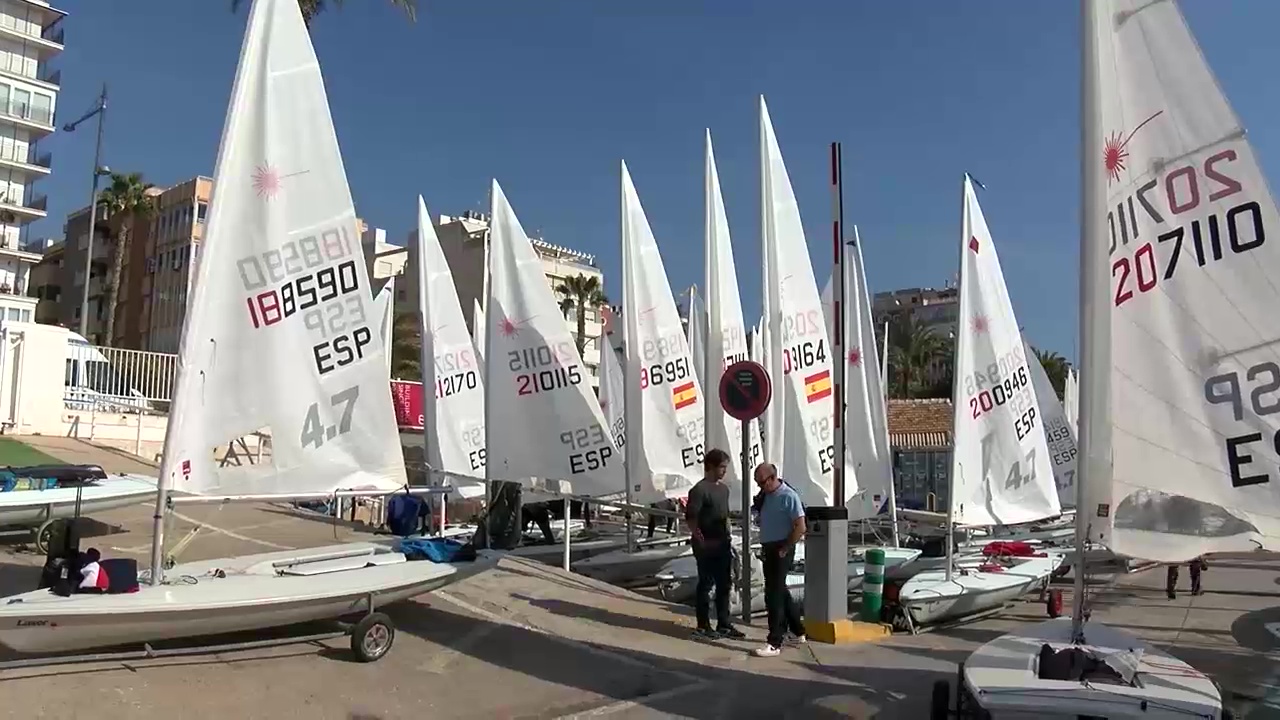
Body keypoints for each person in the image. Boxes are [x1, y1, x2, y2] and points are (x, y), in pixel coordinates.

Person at [685, 449, 745, 640]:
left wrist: (729, 537)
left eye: (725, 467)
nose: (724, 471)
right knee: (705, 584)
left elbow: (725, 515)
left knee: (724, 584)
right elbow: (691, 518)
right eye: (721, 467)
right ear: (710, 466)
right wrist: (701, 540)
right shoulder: (699, 490)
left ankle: (724, 623)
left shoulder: (724, 489)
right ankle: (703, 625)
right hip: (705, 545)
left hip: (723, 543)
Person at [752, 462, 807, 657]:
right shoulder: (766, 496)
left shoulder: (788, 496)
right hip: (769, 546)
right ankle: (799, 631)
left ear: (773, 478)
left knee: (773, 594)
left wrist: (786, 547)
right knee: (780, 590)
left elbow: (800, 526)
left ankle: (774, 641)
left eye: (762, 483)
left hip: (781, 547)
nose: (760, 487)